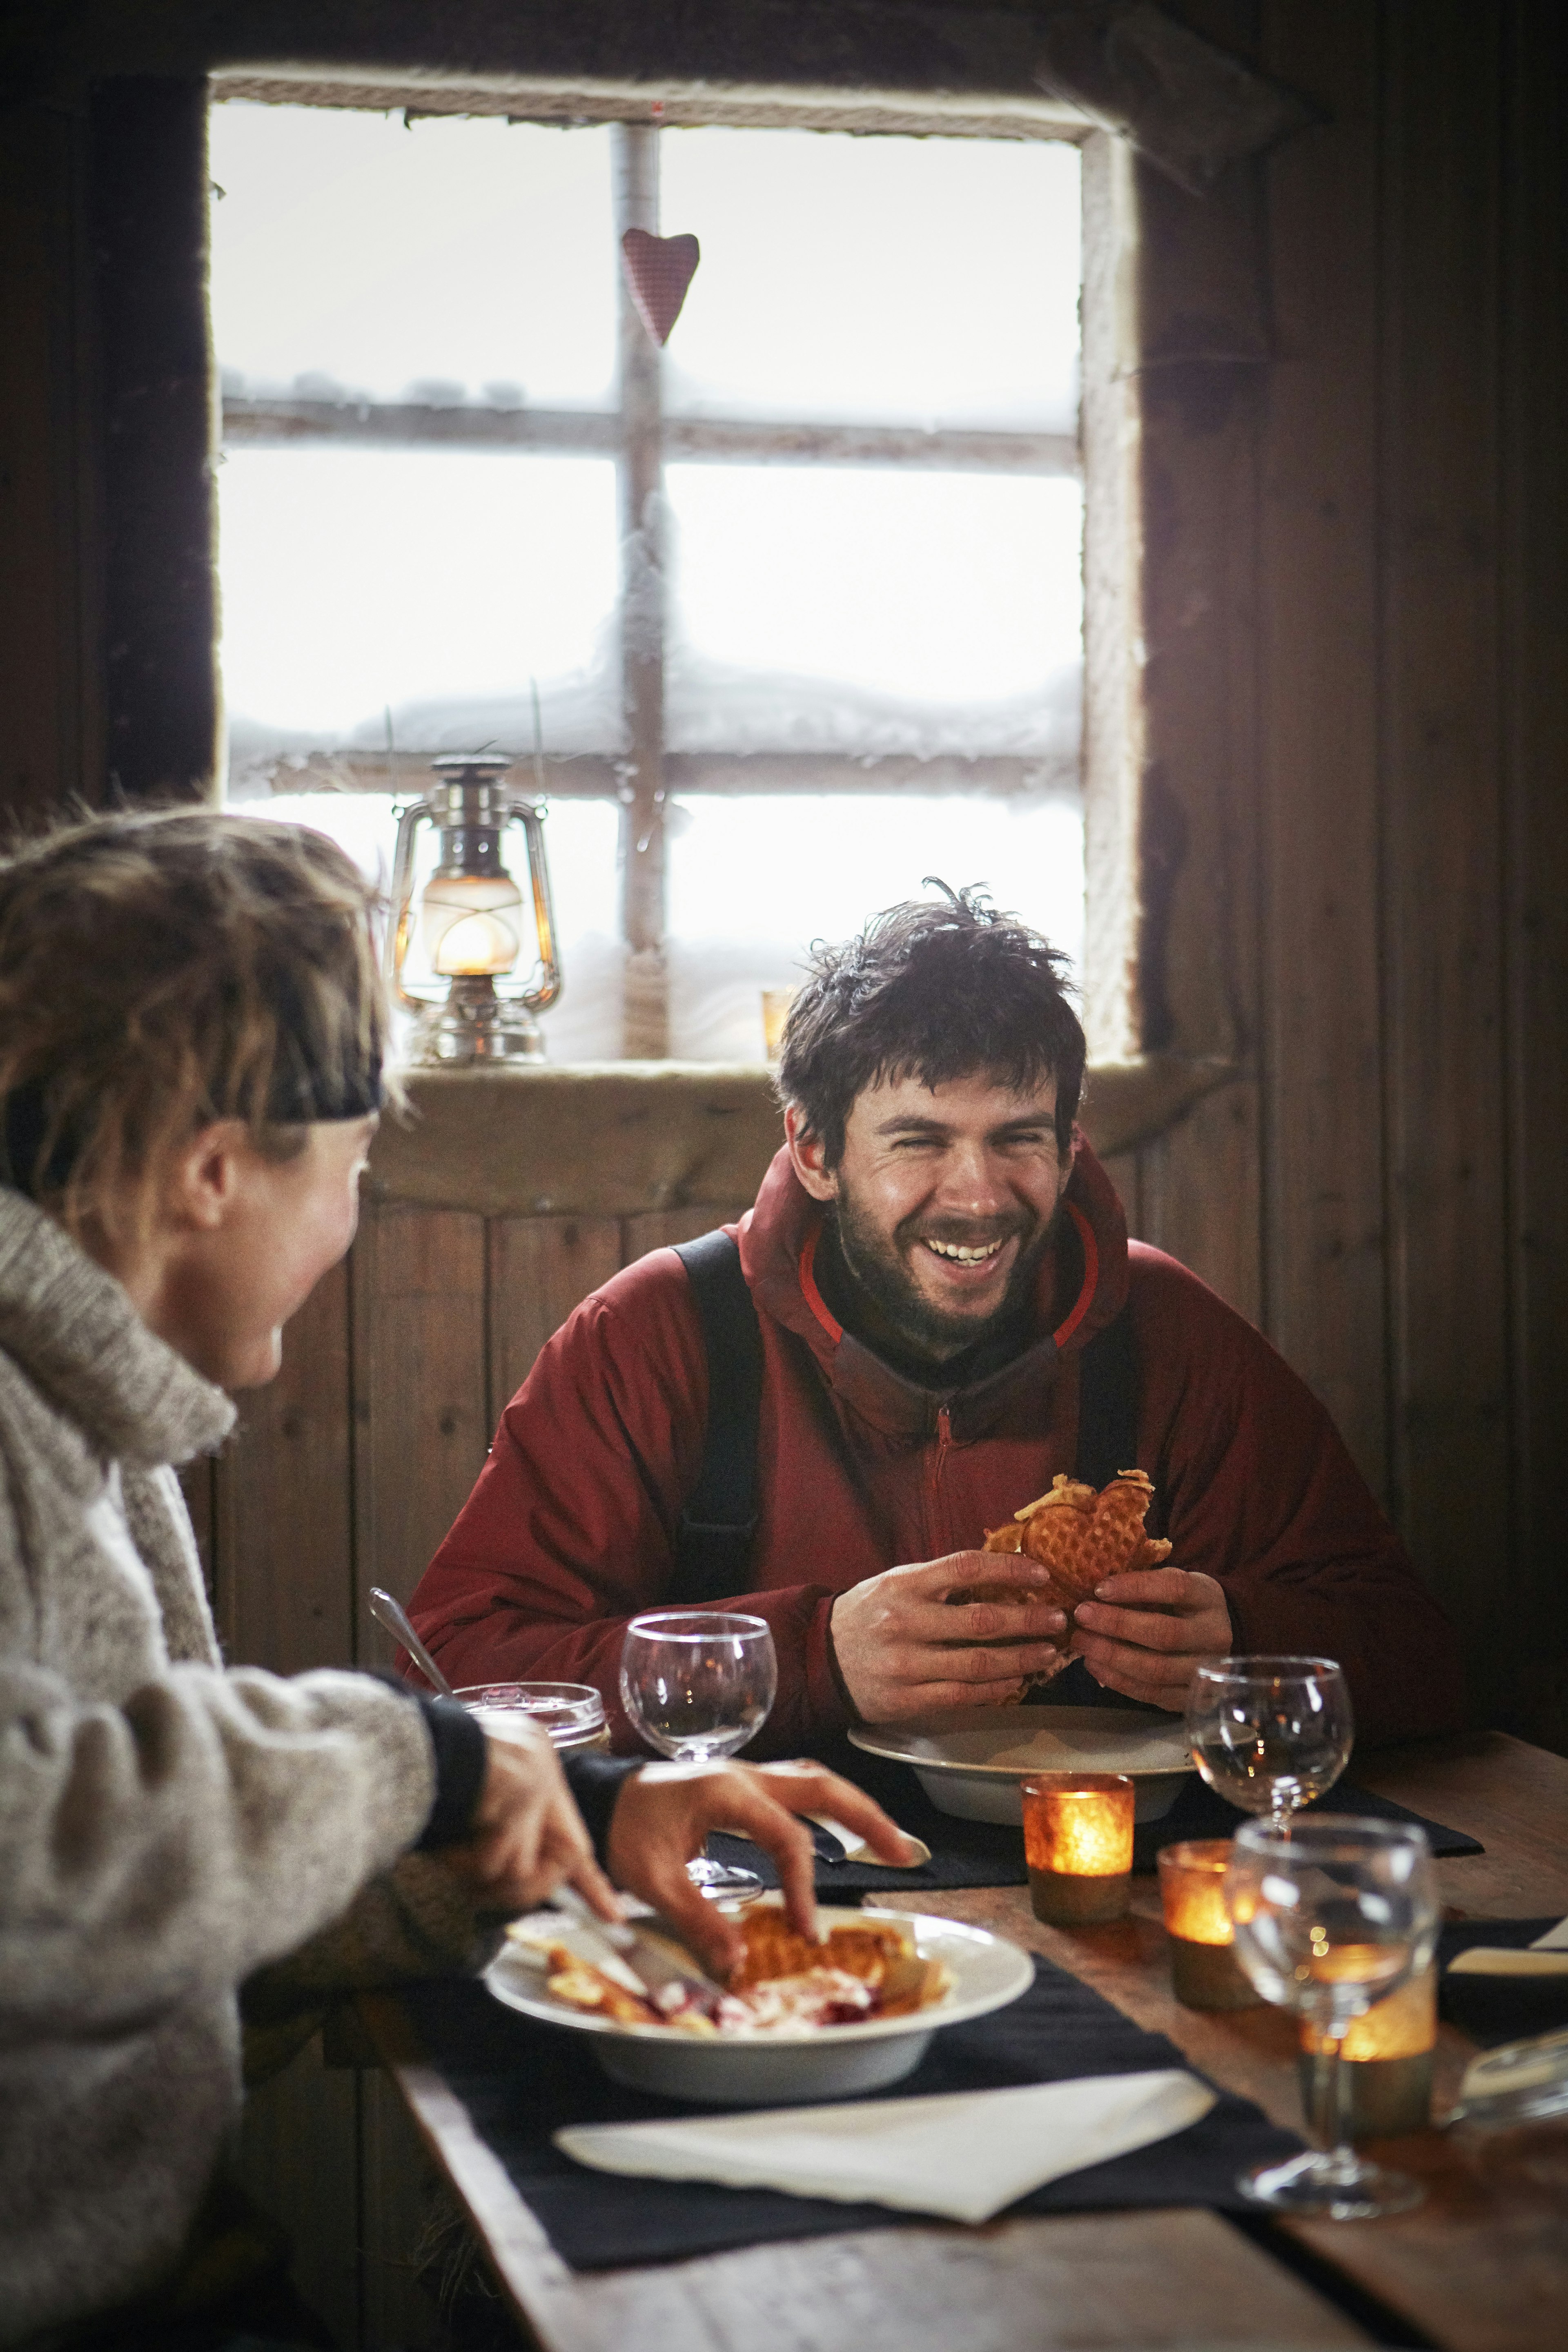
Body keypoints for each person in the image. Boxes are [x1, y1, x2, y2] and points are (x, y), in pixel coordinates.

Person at [0, 811, 913, 2352]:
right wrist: (416, 1757)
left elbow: (147, 1903)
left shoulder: (93, 1418)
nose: (351, 1220)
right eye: (354, 1168)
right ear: (217, 1172)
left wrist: (584, 1820)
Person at [408, 886, 1464, 1754]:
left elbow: (1420, 1662)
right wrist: (808, 1661)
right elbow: (454, 1669)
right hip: (754, 1902)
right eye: (919, 1141)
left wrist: (1246, 1642)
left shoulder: (1173, 1333)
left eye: (1020, 1139)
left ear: (1070, 1141)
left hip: (1111, 1891)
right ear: (815, 1152)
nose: (979, 1195)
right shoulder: (655, 1335)